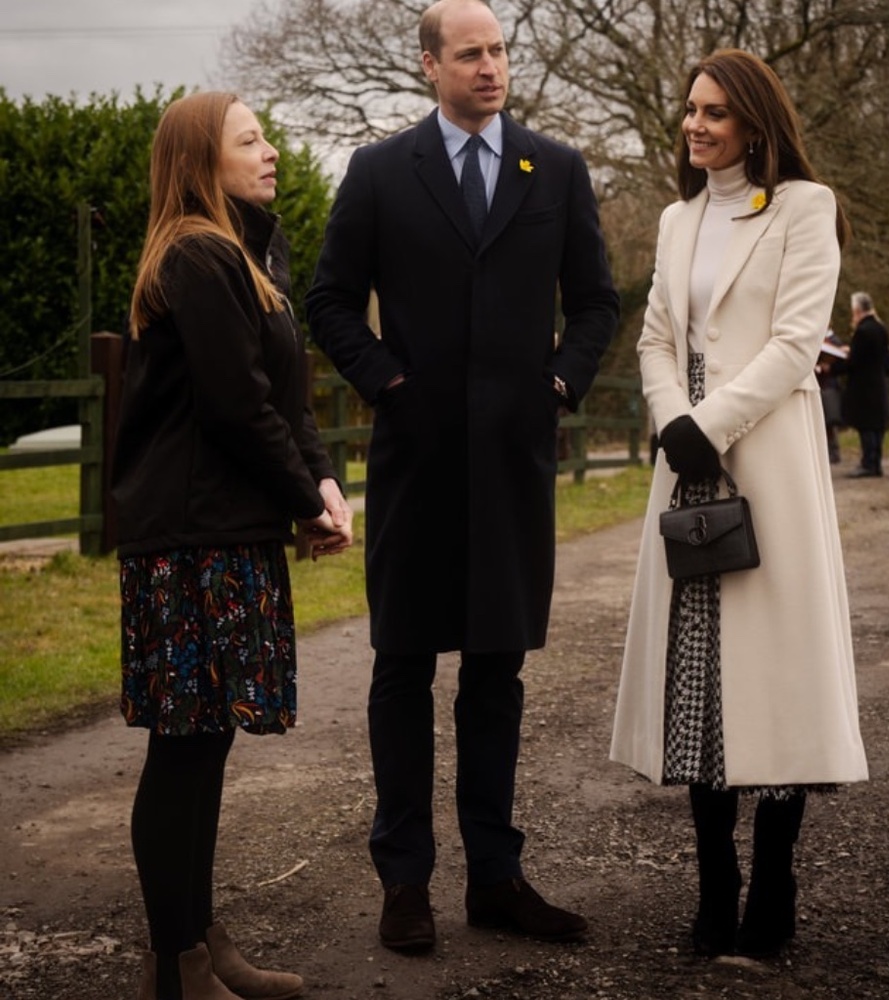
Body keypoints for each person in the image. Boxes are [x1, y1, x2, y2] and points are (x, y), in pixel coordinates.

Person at [305, 0, 619, 953]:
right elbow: (329, 300)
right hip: (416, 462)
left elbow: (596, 303)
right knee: (402, 666)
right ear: (430, 65)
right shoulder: (379, 171)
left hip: (514, 465)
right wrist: (387, 382)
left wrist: (558, 384)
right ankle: (405, 883)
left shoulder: (555, 169)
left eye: (499, 50)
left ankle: (496, 878)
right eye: (471, 53)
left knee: (496, 671)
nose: (491, 66)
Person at [610, 49, 868, 960]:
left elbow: (797, 342)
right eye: (691, 109)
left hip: (767, 462)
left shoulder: (805, 207)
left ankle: (776, 884)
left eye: (714, 112)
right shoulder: (678, 220)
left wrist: (710, 422)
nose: (695, 124)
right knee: (698, 677)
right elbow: (654, 338)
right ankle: (716, 889)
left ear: (754, 123)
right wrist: (674, 422)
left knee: (775, 673)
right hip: (687, 469)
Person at [113, 91, 353, 1000]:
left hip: (228, 534)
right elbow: (234, 405)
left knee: (206, 743)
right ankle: (173, 965)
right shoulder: (196, 255)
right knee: (183, 747)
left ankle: (201, 943)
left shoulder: (249, 252)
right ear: (200, 162)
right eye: (249, 140)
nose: (271, 152)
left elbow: (285, 397)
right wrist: (305, 501)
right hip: (190, 542)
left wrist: (321, 485)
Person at [835, 292, 889, 477]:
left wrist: (833, 367)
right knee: (877, 426)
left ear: (857, 310)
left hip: (864, 386)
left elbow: (855, 361)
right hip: (879, 382)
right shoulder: (880, 328)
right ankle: (875, 463)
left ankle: (867, 463)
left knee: (866, 425)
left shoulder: (862, 331)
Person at [816, 327, 847, 464]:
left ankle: (833, 452)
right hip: (818, 383)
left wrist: (829, 367)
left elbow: (841, 364)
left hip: (829, 385)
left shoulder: (834, 341)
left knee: (830, 421)